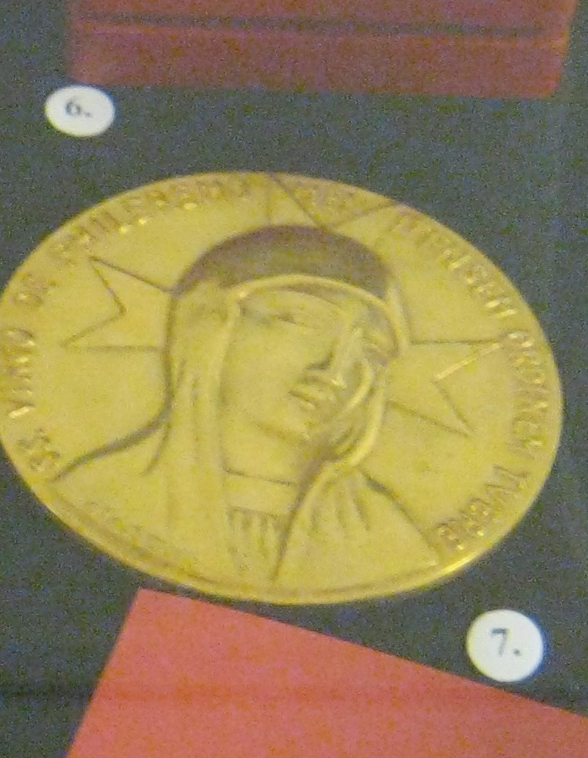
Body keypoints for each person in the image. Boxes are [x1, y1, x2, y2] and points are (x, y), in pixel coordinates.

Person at [55, 224, 443, 593]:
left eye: (371, 349)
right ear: (207, 324)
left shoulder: (393, 541)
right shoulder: (99, 495)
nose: (337, 370)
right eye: (301, 320)